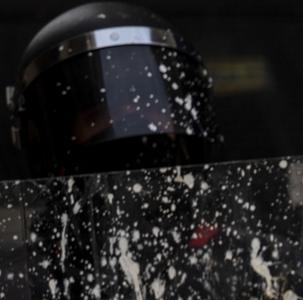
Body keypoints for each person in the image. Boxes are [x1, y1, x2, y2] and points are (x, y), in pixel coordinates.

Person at [8, 1, 221, 177]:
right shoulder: (40, 229)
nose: (131, 115)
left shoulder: (233, 225)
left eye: (150, 102)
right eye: (102, 111)